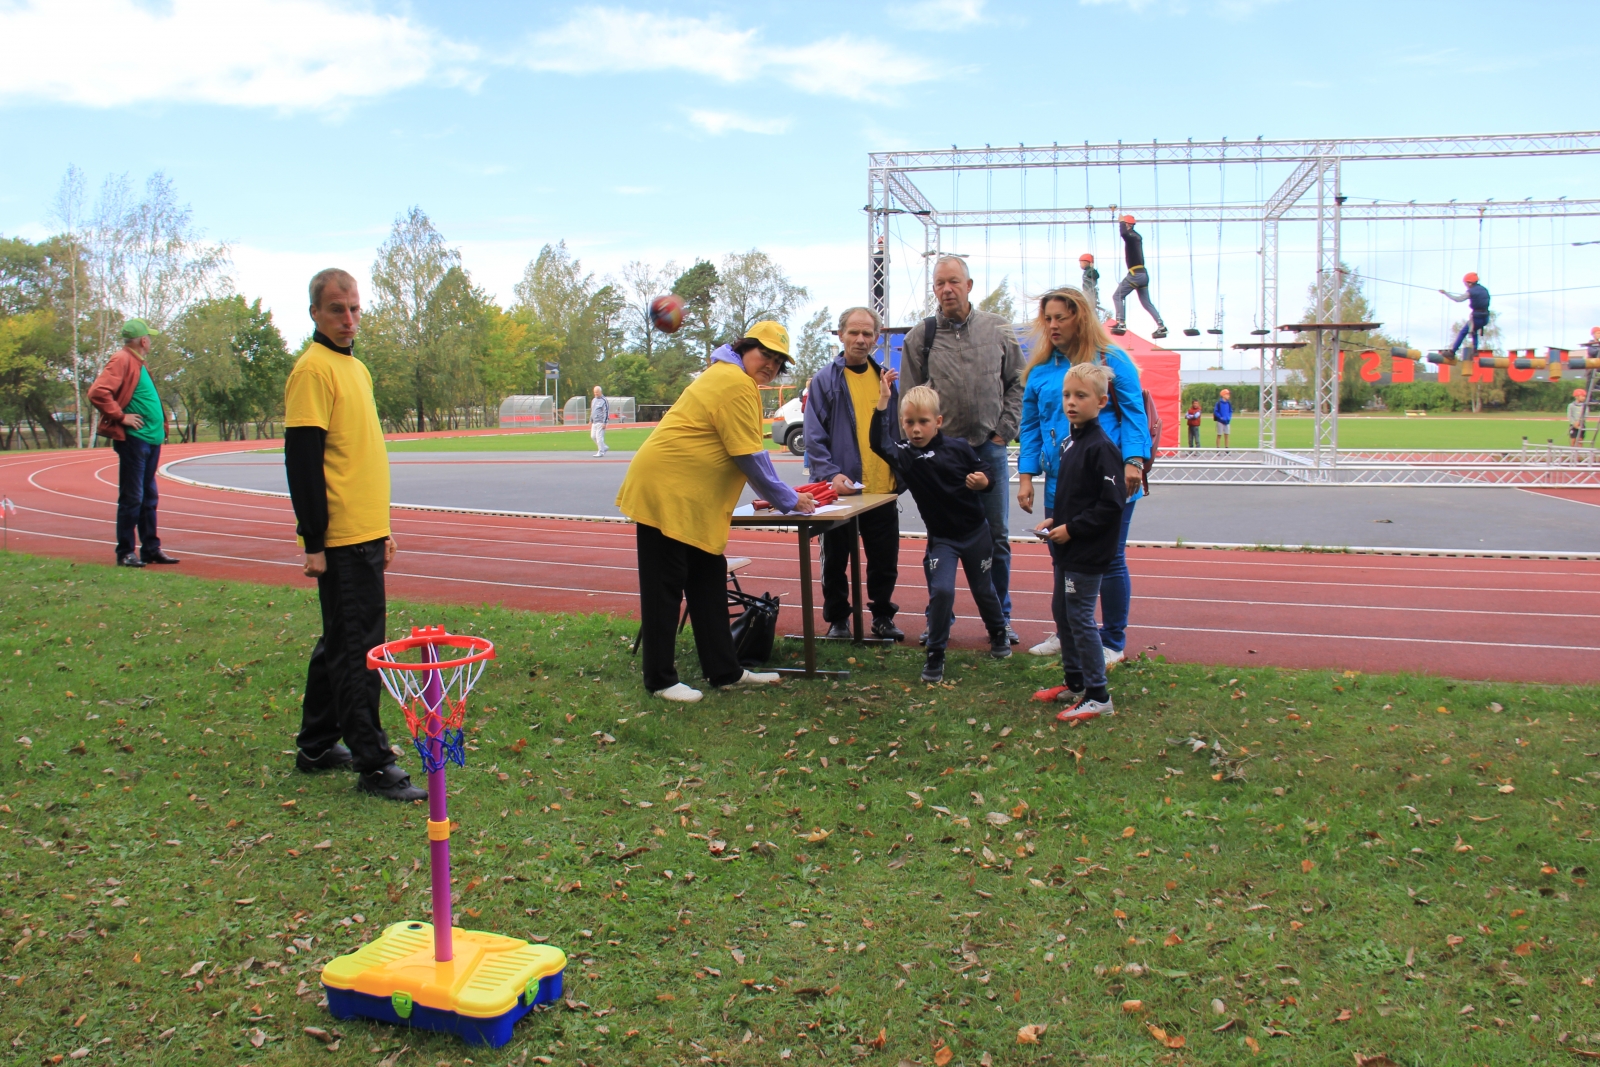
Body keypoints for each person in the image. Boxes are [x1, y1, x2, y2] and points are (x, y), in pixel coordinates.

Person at [617, 322, 816, 703]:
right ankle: (659, 680)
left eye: (778, 361)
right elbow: (750, 457)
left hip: (690, 499)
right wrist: (788, 498)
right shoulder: (734, 382)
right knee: (665, 586)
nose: (771, 365)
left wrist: (785, 494)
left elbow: (746, 453)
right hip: (667, 491)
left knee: (707, 581)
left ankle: (724, 671)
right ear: (744, 349)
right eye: (765, 355)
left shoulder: (730, 377)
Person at [285, 268, 423, 802]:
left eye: (355, 309)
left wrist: (383, 527)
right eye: (338, 309)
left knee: (340, 642)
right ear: (316, 313)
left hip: (366, 531)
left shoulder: (356, 370)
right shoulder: (312, 371)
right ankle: (374, 762)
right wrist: (313, 540)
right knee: (359, 651)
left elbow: (361, 456)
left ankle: (318, 743)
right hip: (340, 538)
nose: (349, 319)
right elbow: (303, 462)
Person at [1016, 287, 1150, 667]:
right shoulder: (1040, 371)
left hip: (1110, 481)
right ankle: (1068, 632)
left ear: (1081, 318)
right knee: (1062, 556)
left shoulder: (1111, 360)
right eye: (1048, 318)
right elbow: (1030, 426)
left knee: (1109, 560)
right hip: (1060, 483)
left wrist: (1133, 461)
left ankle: (1112, 640)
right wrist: (1026, 475)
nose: (1053, 325)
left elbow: (1134, 413)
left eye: (1062, 317)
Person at [900, 255, 1025, 643]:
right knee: (941, 537)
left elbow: (1018, 383)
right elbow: (909, 397)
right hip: (940, 459)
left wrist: (1003, 432)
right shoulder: (921, 336)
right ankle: (940, 619)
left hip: (988, 449)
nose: (946, 290)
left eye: (953, 282)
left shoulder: (998, 330)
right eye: (939, 284)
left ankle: (999, 619)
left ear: (969, 285)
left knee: (997, 535)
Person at [869, 380, 1010, 683]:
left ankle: (998, 631)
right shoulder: (904, 454)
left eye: (923, 422)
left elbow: (986, 470)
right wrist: (883, 402)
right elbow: (878, 443)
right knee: (942, 591)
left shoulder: (958, 448)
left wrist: (984, 482)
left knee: (983, 589)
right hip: (943, 540)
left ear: (938, 422)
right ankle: (936, 653)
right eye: (909, 423)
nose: (916, 429)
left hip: (975, 534)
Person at [1029, 362, 1126, 722]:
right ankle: (1074, 682)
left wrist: (1074, 529)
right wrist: (1057, 520)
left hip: (1087, 551)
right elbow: (1077, 496)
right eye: (1067, 395)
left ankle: (1098, 695)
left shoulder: (1101, 446)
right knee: (1063, 614)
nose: (1071, 402)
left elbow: (1111, 504)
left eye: (1081, 396)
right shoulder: (1072, 441)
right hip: (1068, 546)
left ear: (1100, 402)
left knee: (1081, 618)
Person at [802, 306, 902, 641]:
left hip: (881, 488)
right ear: (841, 334)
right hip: (842, 491)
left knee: (884, 561)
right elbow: (814, 437)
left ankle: (883, 616)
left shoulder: (885, 379)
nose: (860, 339)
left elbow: (896, 429)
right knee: (835, 560)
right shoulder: (825, 380)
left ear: (876, 337)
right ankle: (838, 620)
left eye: (867, 333)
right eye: (854, 332)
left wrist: (903, 471)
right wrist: (831, 476)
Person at [87, 319, 179, 568]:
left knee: (149, 497)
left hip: (150, 439)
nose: (150, 341)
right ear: (143, 340)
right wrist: (120, 416)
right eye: (149, 337)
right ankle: (125, 552)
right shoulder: (122, 359)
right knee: (133, 496)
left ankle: (151, 549)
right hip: (135, 441)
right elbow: (98, 392)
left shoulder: (138, 363)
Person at [1110, 215, 1168, 340]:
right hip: (1143, 275)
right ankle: (1161, 325)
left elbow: (1124, 234)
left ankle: (1121, 323)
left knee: (1117, 296)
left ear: (1128, 225)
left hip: (1135, 274)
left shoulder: (1131, 237)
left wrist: (1120, 222)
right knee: (1146, 303)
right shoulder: (1136, 237)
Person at [1440, 272, 1491, 356]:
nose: (1465, 285)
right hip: (1485, 318)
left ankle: (1452, 352)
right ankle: (1475, 350)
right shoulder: (1484, 289)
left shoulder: (1470, 292)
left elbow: (1458, 299)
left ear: (1470, 283)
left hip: (1477, 318)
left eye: (1465, 283)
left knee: (1463, 332)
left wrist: (1445, 293)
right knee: (1474, 329)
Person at [590, 385, 610, 456]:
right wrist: (591, 419)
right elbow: (592, 410)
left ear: (600, 392)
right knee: (593, 436)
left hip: (601, 422)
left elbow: (606, 412)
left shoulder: (604, 400)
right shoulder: (594, 400)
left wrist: (604, 422)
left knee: (599, 437)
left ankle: (601, 452)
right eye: (595, 392)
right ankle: (604, 447)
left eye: (597, 392)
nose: (596, 394)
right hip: (594, 422)